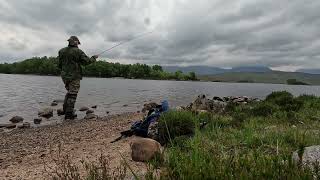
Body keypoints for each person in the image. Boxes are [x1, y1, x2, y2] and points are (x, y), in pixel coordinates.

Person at [58, 36, 98, 120]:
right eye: (78, 43)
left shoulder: (61, 51)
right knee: (73, 94)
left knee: (69, 92)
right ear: (76, 42)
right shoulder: (78, 51)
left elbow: (59, 65)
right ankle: (69, 115)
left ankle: (65, 110)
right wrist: (94, 58)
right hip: (74, 76)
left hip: (64, 76)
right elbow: (86, 62)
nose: (78, 45)